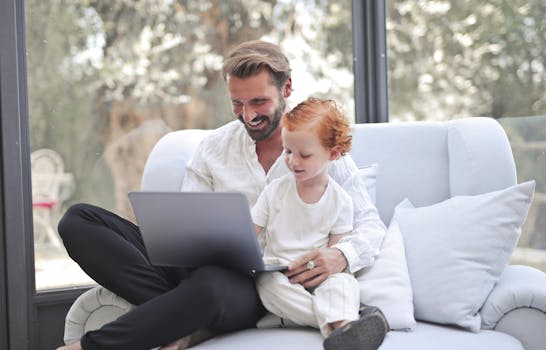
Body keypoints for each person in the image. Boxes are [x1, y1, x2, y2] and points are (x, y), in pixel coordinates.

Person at [56, 40, 387, 350]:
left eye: (259, 102)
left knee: (211, 287)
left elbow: (371, 227)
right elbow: (189, 221)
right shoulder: (214, 147)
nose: (248, 116)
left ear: (286, 89)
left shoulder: (319, 150)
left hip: (256, 287)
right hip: (200, 269)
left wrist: (340, 255)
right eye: (237, 103)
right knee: (78, 221)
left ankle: (92, 346)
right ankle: (190, 316)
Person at [252, 97, 387, 350]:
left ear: (333, 153)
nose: (293, 161)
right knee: (265, 285)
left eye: (304, 155)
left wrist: (327, 276)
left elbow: (334, 252)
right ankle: (345, 324)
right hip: (283, 275)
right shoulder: (274, 191)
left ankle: (333, 323)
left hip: (319, 276)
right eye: (288, 151)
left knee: (343, 282)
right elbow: (250, 232)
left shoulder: (341, 200)